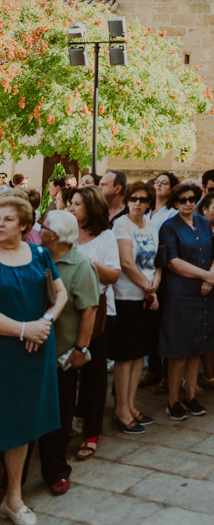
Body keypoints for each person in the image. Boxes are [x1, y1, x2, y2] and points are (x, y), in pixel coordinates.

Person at [0, 194, 67, 525]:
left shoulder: (40, 254)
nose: (0, 223)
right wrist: (24, 329)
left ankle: (13, 498)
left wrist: (46, 322)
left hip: (33, 353)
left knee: (21, 423)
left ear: (25, 225)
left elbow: (61, 294)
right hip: (6, 349)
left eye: (8, 218)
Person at [38, 210, 99, 495]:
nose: (40, 228)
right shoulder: (38, 256)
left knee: (59, 415)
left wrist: (80, 349)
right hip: (31, 348)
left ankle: (56, 471)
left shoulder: (82, 265)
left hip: (61, 353)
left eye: (44, 226)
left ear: (57, 235)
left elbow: (89, 310)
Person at [158, 183, 214, 420]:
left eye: (191, 199)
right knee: (179, 348)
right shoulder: (169, 227)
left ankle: (190, 395)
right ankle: (173, 400)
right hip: (181, 293)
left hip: (204, 292)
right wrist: (204, 275)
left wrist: (212, 274)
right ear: (175, 203)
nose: (187, 203)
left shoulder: (205, 223)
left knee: (197, 344)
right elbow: (172, 262)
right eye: (182, 200)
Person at [68, 186, 120, 460]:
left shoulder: (106, 237)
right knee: (67, 371)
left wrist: (85, 262)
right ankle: (70, 422)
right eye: (70, 203)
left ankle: (91, 432)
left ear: (92, 207)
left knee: (94, 374)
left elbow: (113, 275)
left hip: (99, 312)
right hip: (68, 311)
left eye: (77, 203)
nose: (71, 207)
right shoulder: (66, 234)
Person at [109, 181, 160, 434]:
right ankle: (120, 409)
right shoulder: (121, 224)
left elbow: (156, 261)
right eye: (132, 199)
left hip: (146, 296)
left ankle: (131, 405)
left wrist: (154, 287)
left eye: (142, 199)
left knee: (139, 354)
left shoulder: (151, 225)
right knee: (125, 355)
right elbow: (127, 263)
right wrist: (149, 289)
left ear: (150, 202)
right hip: (126, 297)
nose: (137, 203)